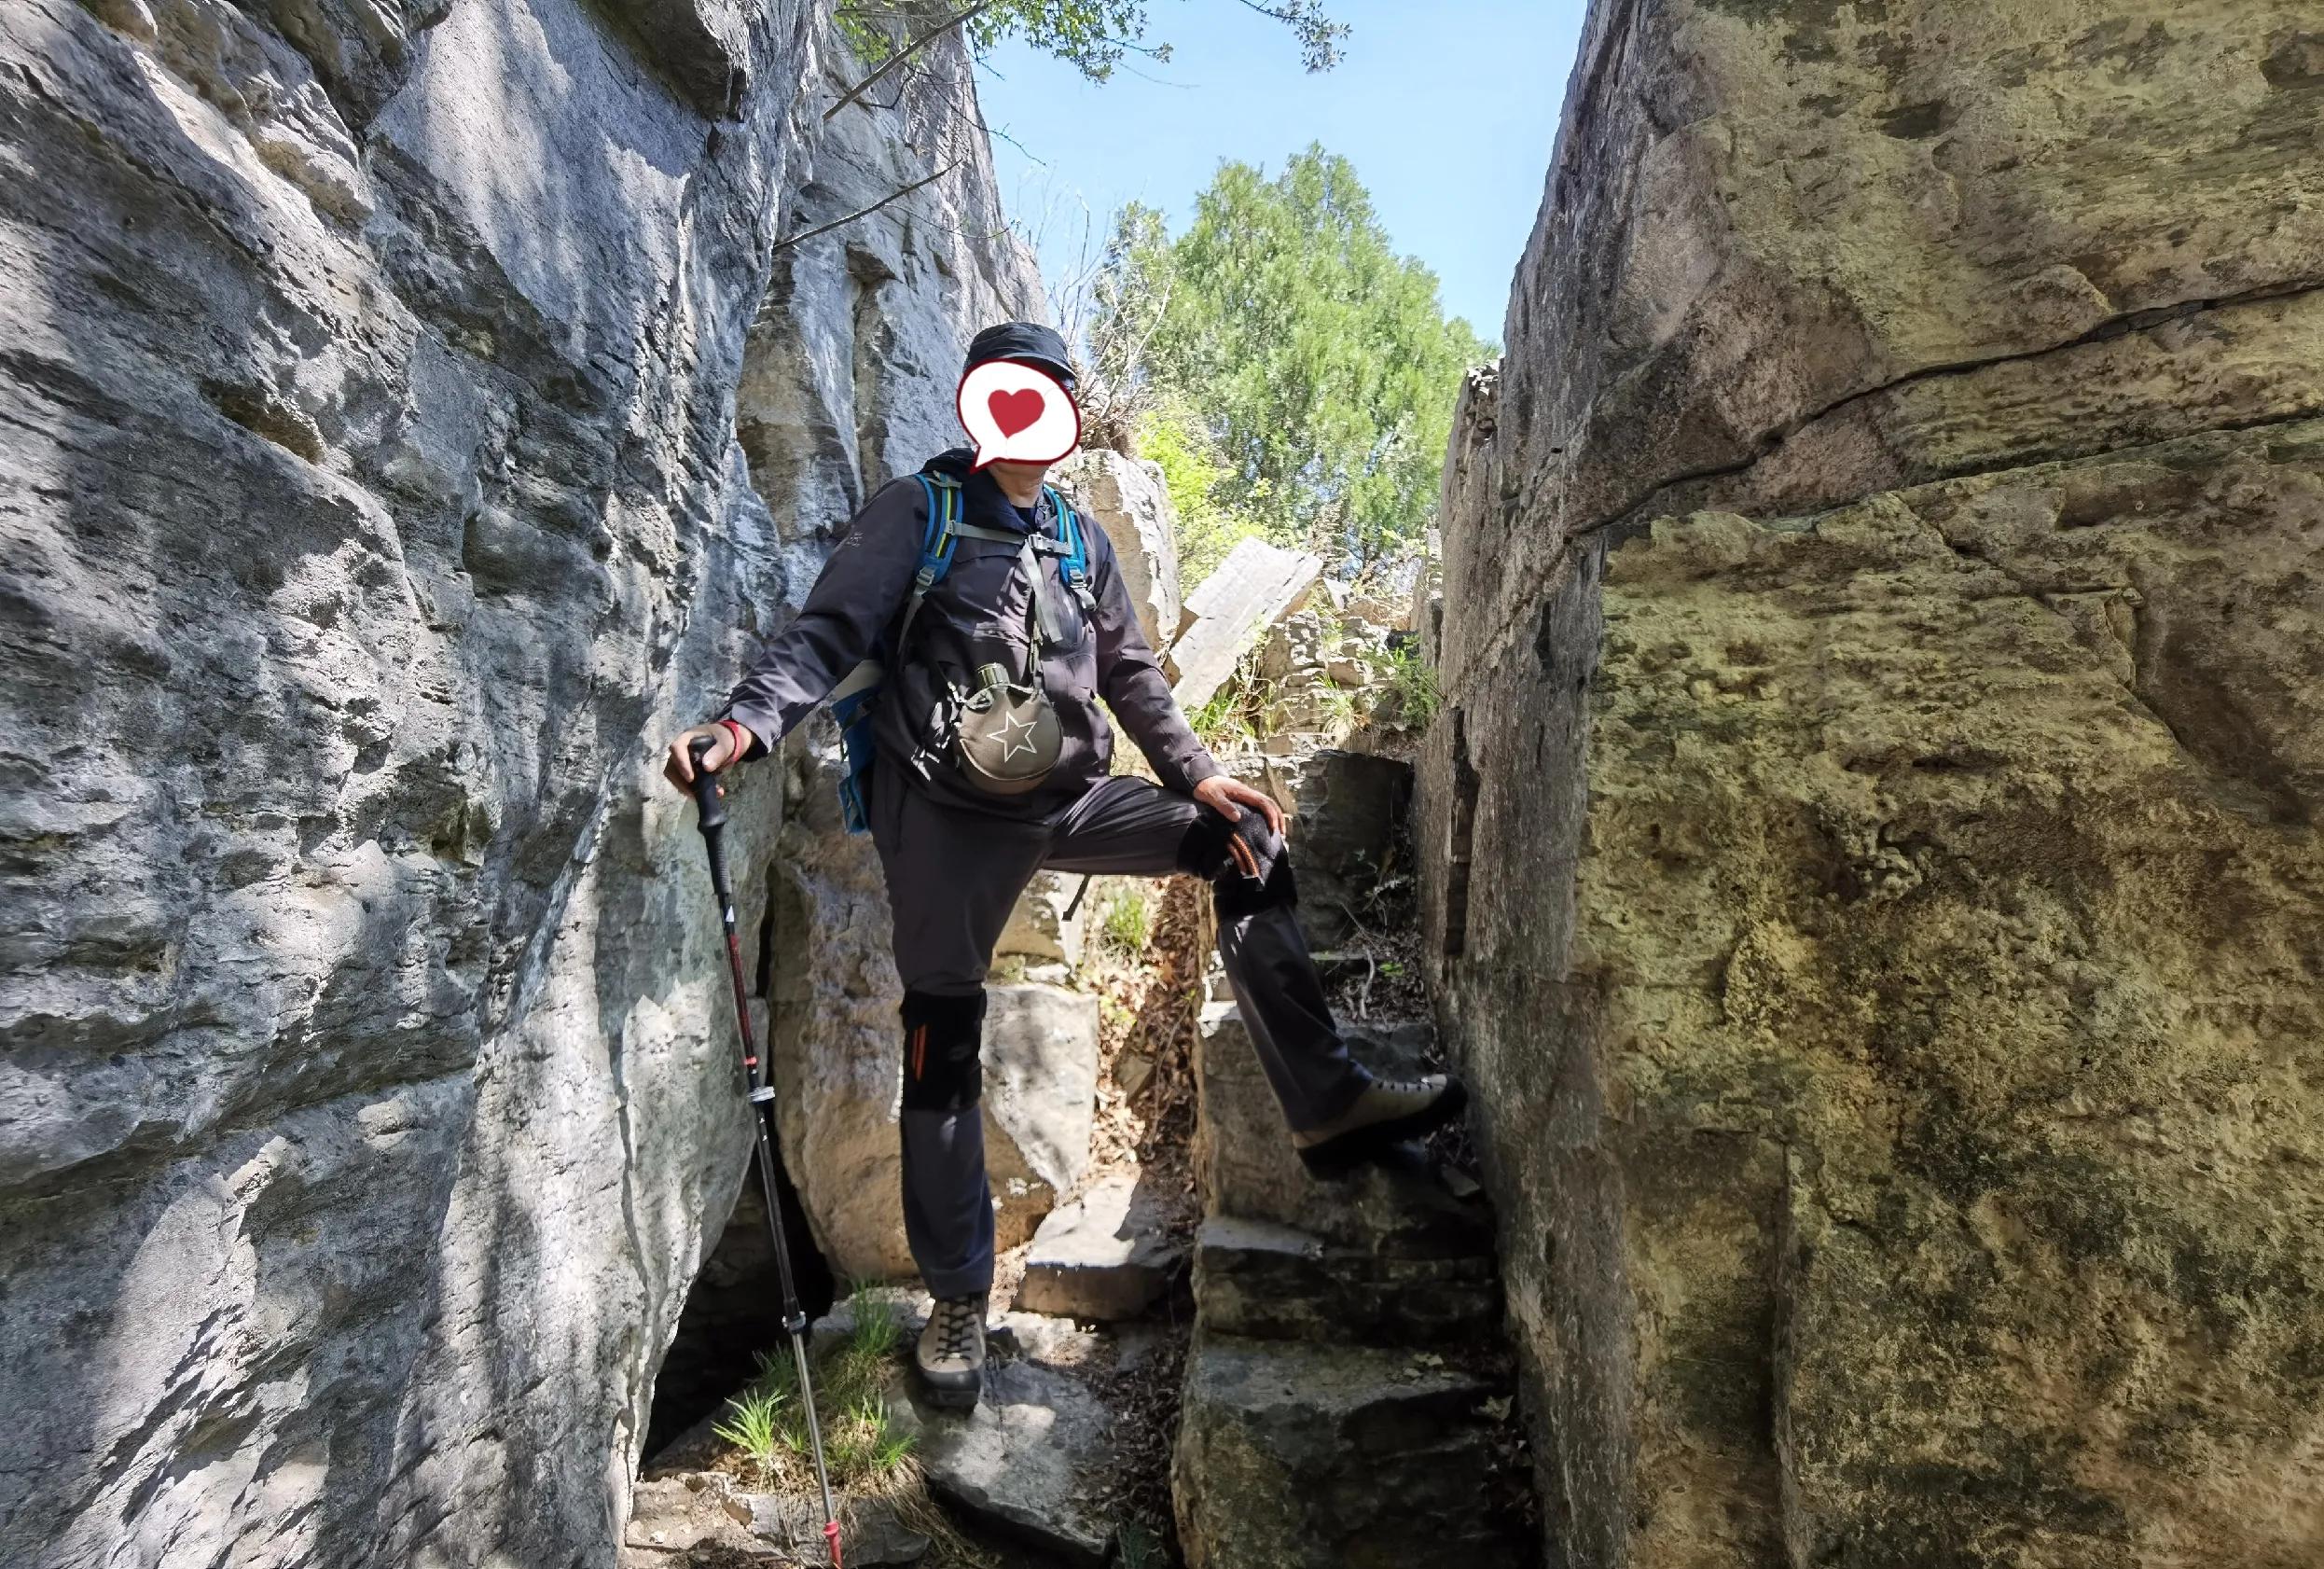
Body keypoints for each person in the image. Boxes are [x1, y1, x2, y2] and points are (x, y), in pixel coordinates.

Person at [663, 321, 1466, 1409]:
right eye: (1009, 391)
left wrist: (1199, 777)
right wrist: (741, 728)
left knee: (1246, 843)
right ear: (976, 404)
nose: (1026, 412)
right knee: (940, 1044)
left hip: (1069, 799)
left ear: (1068, 415)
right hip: (941, 823)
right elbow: (826, 631)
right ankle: (957, 1301)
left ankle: (1323, 1100)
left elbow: (1132, 676)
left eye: (1045, 393)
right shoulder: (921, 511)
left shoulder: (1081, 542)